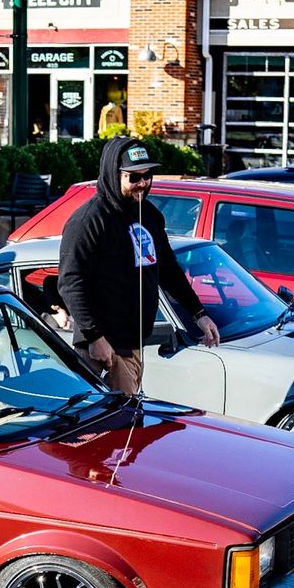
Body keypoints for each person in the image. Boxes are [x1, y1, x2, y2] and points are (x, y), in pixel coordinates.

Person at [58, 135, 219, 395]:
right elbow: (70, 282)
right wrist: (94, 337)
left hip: (133, 343)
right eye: (134, 177)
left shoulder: (150, 215)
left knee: (128, 422)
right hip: (103, 347)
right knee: (115, 427)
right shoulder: (89, 220)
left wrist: (198, 314)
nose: (142, 183)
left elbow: (168, 269)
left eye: (147, 176)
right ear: (114, 174)